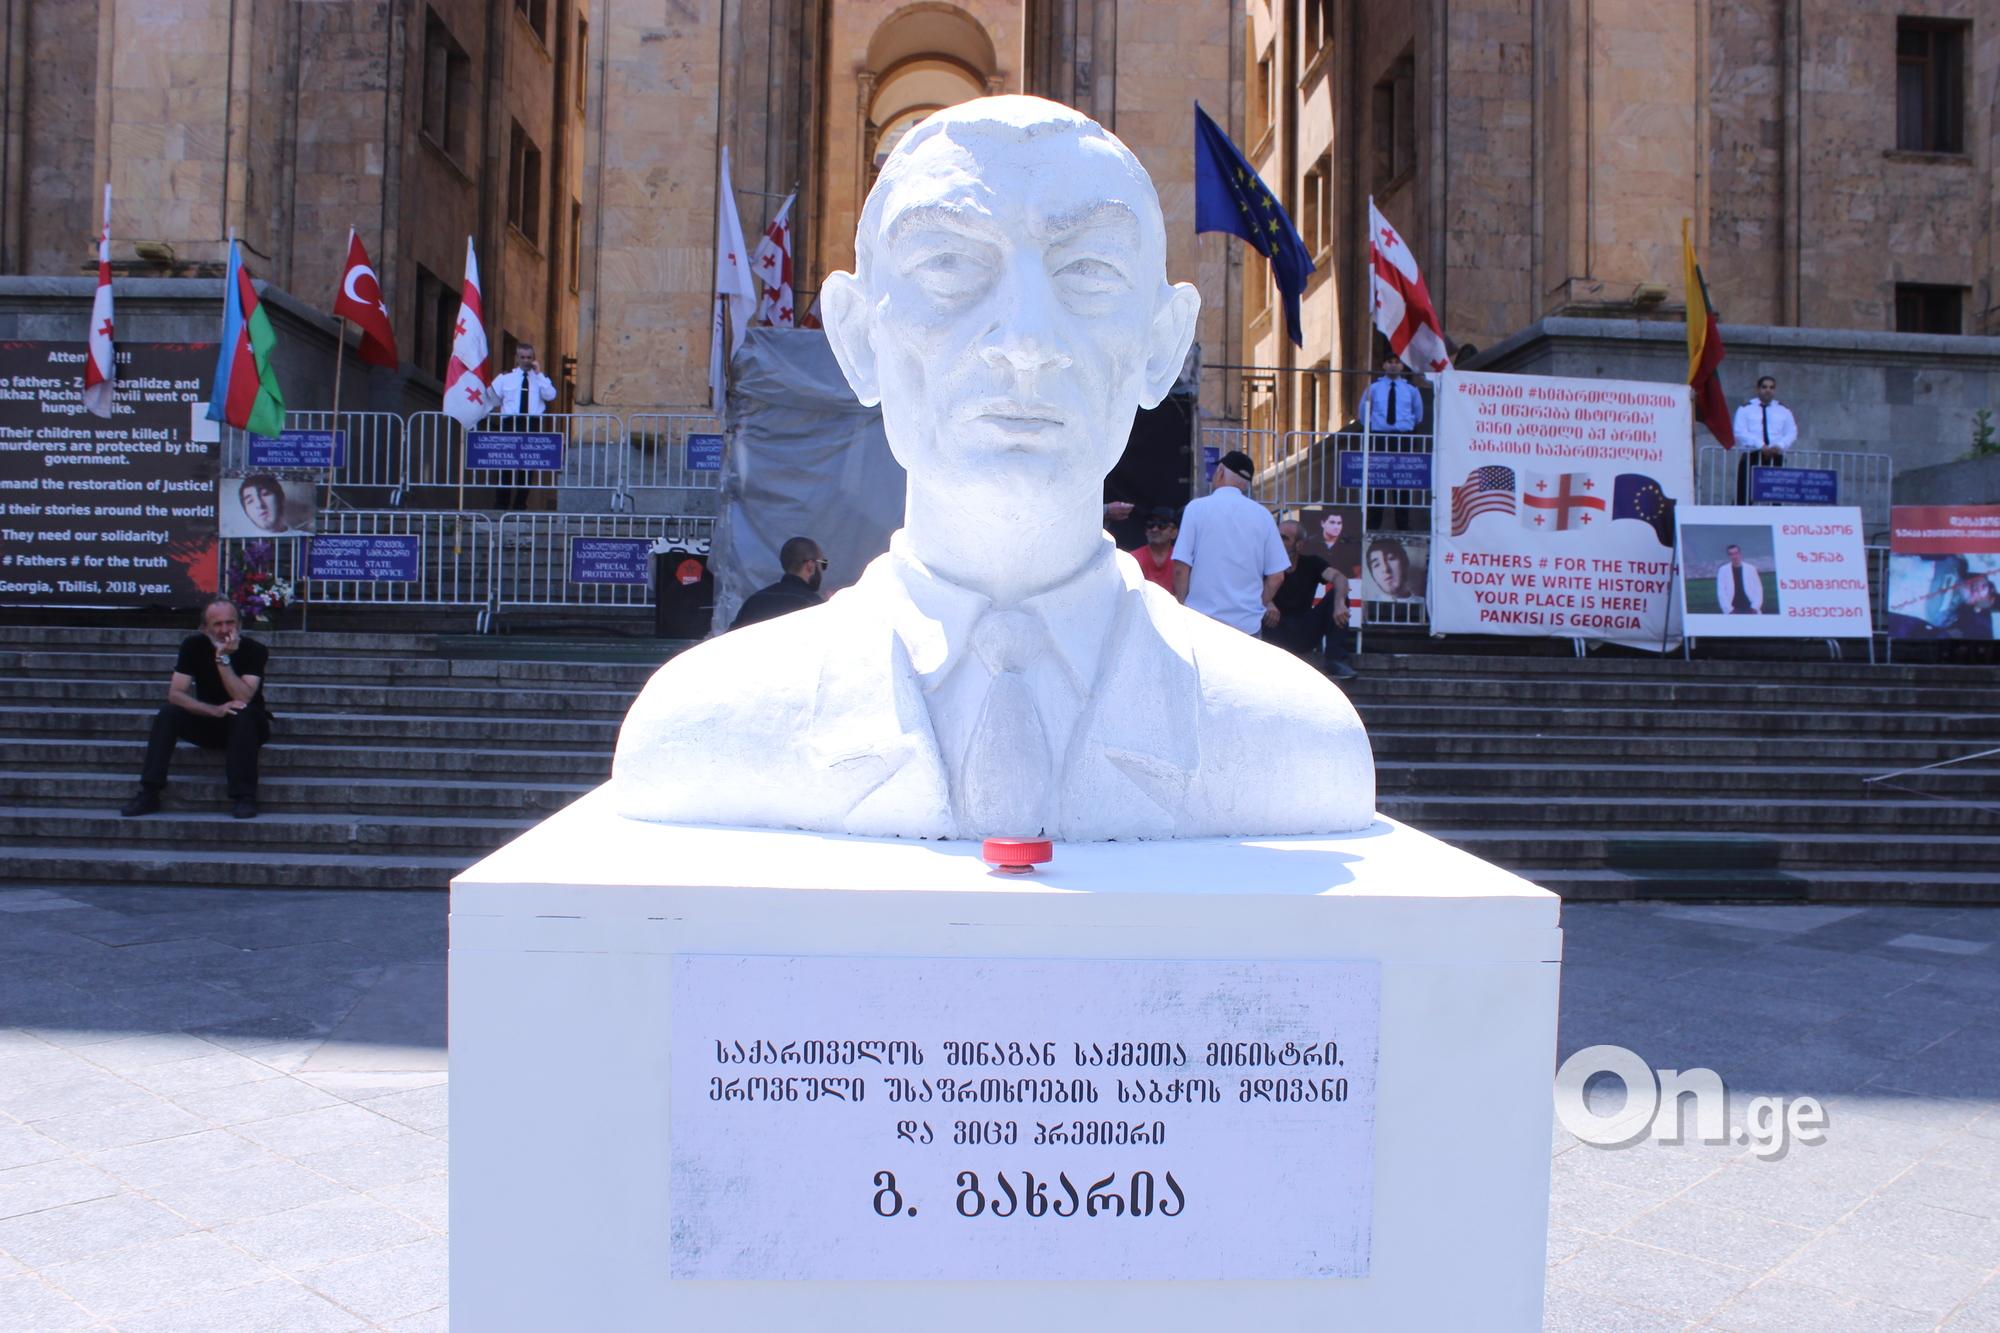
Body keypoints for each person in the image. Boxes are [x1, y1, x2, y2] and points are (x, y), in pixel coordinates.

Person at [613, 96, 1373, 841]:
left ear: (1161, 344)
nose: (1026, 338)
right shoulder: (701, 735)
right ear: (855, 336)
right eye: (947, 263)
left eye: (1090, 270)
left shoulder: (1301, 748)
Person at [120, 597, 271, 820]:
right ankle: (149, 792)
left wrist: (223, 661)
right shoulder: (193, 646)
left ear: (239, 624)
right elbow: (176, 693)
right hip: (210, 720)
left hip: (247, 726)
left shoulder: (255, 650)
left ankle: (244, 796)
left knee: (242, 712)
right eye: (217, 625)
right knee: (168, 713)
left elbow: (244, 696)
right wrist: (214, 710)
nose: (224, 630)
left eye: (230, 623)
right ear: (204, 628)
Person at [1171, 450, 1290, 636]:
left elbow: (1181, 568)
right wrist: (1256, 605)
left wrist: (1183, 605)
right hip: (1246, 625)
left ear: (1220, 472)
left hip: (1200, 623)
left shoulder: (1196, 509)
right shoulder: (1263, 516)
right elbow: (1277, 577)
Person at [1269, 520, 1356, 680]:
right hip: (1274, 629)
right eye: (1276, 537)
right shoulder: (1265, 564)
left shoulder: (1312, 563)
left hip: (1303, 631)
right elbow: (1250, 588)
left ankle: (1336, 660)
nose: (1277, 542)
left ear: (1299, 545)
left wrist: (1338, 604)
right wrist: (1266, 602)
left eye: (1284, 538)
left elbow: (1339, 577)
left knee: (1338, 596)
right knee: (1256, 604)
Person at [732, 536, 826, 629]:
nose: (823, 570)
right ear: (810, 566)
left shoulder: (753, 602)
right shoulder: (814, 606)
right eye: (823, 564)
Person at [1731, 375, 1796, 504]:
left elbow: (1791, 432)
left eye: (1771, 387)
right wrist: (1760, 445)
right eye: (1764, 387)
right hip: (1753, 454)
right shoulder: (1745, 409)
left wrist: (1780, 445)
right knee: (1745, 492)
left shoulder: (1783, 410)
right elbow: (1740, 431)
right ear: (1757, 389)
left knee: (1776, 494)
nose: (1768, 390)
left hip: (1775, 455)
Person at [489, 343, 559, 418]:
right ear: (517, 358)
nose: (526, 360)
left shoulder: (540, 379)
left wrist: (539, 375)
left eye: (529, 358)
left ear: (534, 359)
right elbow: (491, 399)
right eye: (522, 357)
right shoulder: (505, 377)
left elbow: (550, 396)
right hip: (510, 423)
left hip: (532, 423)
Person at [1362, 355, 1423, 433]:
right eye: (1390, 362)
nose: (1393, 365)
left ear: (1402, 366)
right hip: (1379, 435)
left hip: (1405, 435)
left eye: (1397, 362)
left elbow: (1418, 413)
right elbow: (1363, 410)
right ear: (1384, 365)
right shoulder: (1374, 388)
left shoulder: (1411, 389)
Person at [1127, 506, 1178, 593]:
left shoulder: (1180, 560)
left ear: (1174, 532)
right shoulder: (1132, 558)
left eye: (1162, 525)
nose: (1154, 529)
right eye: (1150, 524)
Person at [1366, 537, 1423, 601]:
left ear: (1404, 563)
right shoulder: (1367, 605)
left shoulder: (1423, 602)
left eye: (1391, 558)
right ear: (1373, 577)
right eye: (1376, 565)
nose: (1385, 569)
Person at [1715, 543, 1764, 614]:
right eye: (1731, 554)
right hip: (1732, 609)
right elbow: (1721, 592)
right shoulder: (1723, 570)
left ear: (1740, 553)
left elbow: (1758, 589)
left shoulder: (1751, 569)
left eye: (1736, 553)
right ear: (1728, 556)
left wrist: (1755, 607)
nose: (1734, 556)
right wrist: (1729, 610)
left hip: (1750, 608)